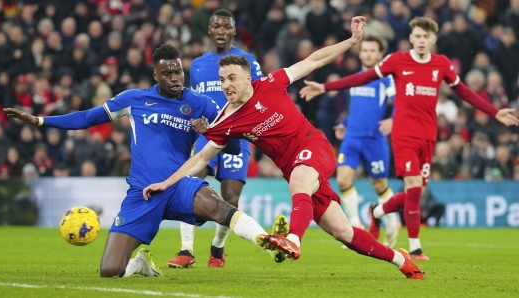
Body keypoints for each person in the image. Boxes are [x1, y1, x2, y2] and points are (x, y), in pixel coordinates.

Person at [144, 17, 425, 280]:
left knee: (300, 181)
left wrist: (351, 41)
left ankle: (292, 240)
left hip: (313, 146)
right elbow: (201, 158)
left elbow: (314, 60)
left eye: (231, 78)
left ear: (246, 78)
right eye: (221, 80)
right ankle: (400, 260)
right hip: (294, 168)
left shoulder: (271, 82)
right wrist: (166, 183)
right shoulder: (226, 120)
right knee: (343, 232)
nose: (225, 85)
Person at [4, 44, 286, 278]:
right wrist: (41, 120)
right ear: (156, 75)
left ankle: (267, 242)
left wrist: (211, 131)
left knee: (219, 206)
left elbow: (235, 148)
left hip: (176, 185)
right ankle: (139, 264)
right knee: (109, 271)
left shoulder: (201, 104)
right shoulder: (134, 99)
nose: (175, 78)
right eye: (168, 73)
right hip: (142, 193)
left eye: (178, 71)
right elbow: (86, 118)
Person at [299, 17, 519, 260]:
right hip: (404, 135)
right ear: (411, 38)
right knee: (413, 186)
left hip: (428, 136)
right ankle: (415, 248)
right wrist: (325, 88)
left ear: (433, 39)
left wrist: (494, 111)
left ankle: (379, 210)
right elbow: (363, 77)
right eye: (418, 36)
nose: (422, 40)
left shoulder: (441, 64)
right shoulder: (398, 61)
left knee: (416, 192)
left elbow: (464, 91)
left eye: (426, 37)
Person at [168, 9, 264, 269]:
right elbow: (193, 102)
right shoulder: (198, 65)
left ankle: (217, 248)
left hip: (238, 135)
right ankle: (186, 250)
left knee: (231, 198)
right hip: (207, 135)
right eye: (216, 26)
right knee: (189, 183)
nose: (221, 30)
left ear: (234, 31)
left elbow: (260, 97)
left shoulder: (248, 62)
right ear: (209, 30)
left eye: (226, 26)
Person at [305, 35, 399, 248]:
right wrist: (345, 123)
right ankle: (355, 228)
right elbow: (358, 108)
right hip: (352, 138)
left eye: (372, 51)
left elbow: (398, 103)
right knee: (344, 179)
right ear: (360, 53)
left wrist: (392, 121)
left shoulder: (386, 79)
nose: (367, 54)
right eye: (364, 50)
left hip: (374, 139)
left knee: (379, 184)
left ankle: (393, 221)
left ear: (379, 54)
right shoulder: (356, 78)